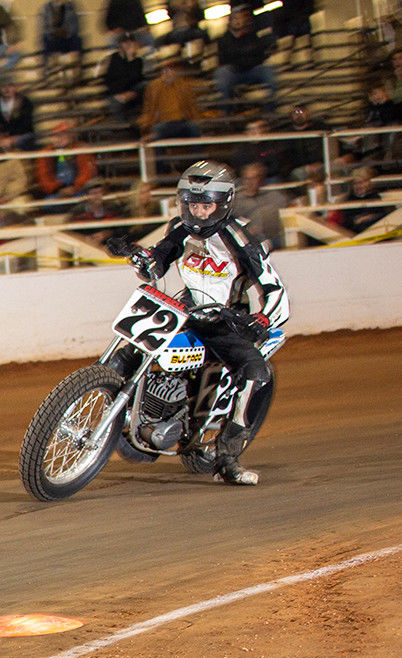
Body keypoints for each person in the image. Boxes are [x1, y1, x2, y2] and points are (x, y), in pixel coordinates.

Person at [134, 162, 288, 484]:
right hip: (185, 308)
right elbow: (160, 261)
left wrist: (261, 320)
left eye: (207, 206)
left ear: (224, 204)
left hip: (226, 319)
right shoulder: (179, 227)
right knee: (136, 344)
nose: (199, 213)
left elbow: (274, 290)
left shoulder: (241, 239)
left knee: (255, 373)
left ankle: (228, 458)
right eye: (193, 205)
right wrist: (144, 261)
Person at [215, 7, 277, 110]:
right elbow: (224, 60)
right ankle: (226, 112)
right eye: (235, 19)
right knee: (222, 73)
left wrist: (241, 57)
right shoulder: (223, 40)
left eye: (240, 18)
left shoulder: (252, 36)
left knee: (268, 71)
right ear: (230, 22)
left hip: (252, 70)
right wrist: (244, 56)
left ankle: (270, 109)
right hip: (233, 72)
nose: (238, 21)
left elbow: (259, 56)